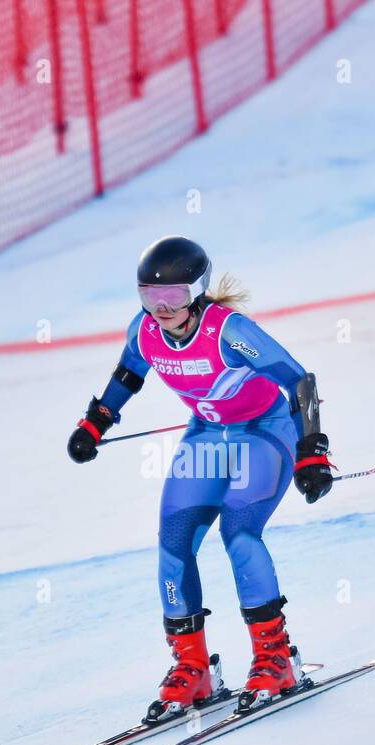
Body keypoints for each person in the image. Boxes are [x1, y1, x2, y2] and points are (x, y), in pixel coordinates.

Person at [67, 236, 333, 720]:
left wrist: (311, 451)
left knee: (239, 533)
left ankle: (276, 659)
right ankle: (193, 669)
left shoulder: (228, 331)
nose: (160, 309)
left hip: (263, 431)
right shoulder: (144, 331)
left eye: (172, 298)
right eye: (149, 297)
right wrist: (95, 422)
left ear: (197, 292)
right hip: (208, 435)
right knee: (174, 540)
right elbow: (129, 373)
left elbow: (298, 381)